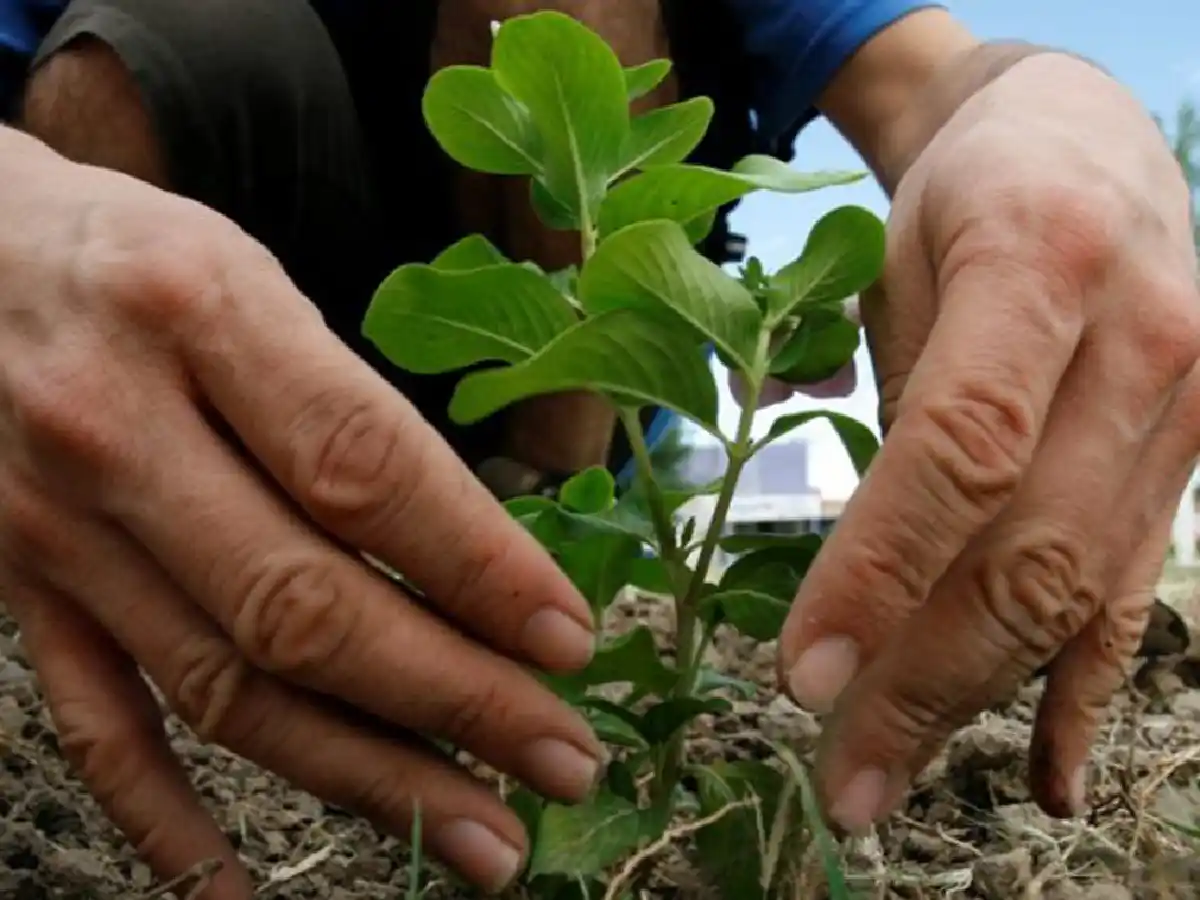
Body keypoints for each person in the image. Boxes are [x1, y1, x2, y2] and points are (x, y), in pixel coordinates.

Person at [0, 0, 1196, 896]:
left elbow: (936, 75)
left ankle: (542, 538)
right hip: (217, 344)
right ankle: (113, 526)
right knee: (136, 52)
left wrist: (1065, 110)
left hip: (573, 420)